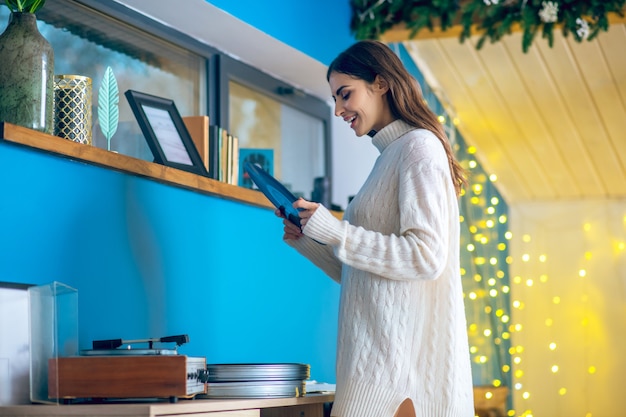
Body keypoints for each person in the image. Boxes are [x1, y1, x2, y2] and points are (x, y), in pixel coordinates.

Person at [277, 40, 474, 417]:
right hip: (375, 368)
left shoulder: (418, 148)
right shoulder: (391, 157)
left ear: (380, 83)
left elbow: (426, 257)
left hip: (399, 374)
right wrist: (310, 241)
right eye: (335, 98)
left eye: (344, 94)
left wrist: (335, 232)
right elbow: (368, 276)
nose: (337, 109)